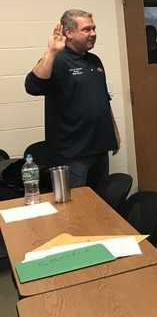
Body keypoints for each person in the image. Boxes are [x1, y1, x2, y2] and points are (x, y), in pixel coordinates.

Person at [25, 10, 119, 188]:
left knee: (99, 205)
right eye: (86, 29)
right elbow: (32, 86)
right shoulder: (57, 60)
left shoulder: (95, 61)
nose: (93, 33)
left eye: (94, 28)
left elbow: (103, 101)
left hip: (99, 150)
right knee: (75, 210)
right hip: (72, 156)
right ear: (68, 33)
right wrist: (51, 52)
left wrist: (114, 133)